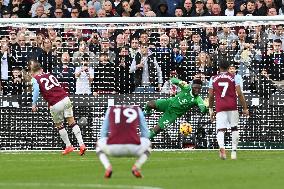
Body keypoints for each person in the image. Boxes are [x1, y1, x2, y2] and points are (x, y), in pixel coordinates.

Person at [30, 61, 87, 155]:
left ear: (32, 72)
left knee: (59, 125)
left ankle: (69, 146)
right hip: (65, 98)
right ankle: (82, 145)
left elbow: (36, 91)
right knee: (72, 122)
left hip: (55, 103)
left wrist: (34, 103)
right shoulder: (49, 74)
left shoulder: (35, 79)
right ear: (41, 69)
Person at [208, 59, 249, 160]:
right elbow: (239, 93)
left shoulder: (213, 78)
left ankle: (222, 148)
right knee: (234, 128)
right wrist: (245, 108)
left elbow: (210, 96)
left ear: (219, 67)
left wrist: (210, 109)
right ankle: (234, 152)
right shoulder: (234, 77)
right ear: (228, 67)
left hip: (220, 107)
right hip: (232, 106)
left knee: (220, 129)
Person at [96, 105, 151, 179]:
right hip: (134, 148)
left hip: (113, 149)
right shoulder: (137, 109)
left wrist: (108, 140)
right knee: (149, 144)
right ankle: (136, 167)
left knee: (98, 144)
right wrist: (139, 140)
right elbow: (145, 133)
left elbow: (103, 132)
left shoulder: (110, 109)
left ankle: (108, 167)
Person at [144, 78, 208, 139]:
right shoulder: (186, 87)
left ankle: (143, 141)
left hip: (173, 114)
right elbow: (172, 80)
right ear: (192, 86)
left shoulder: (198, 99)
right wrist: (179, 82)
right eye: (195, 88)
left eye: (199, 88)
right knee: (150, 104)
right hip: (168, 103)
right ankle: (147, 112)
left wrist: (206, 107)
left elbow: (203, 109)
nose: (197, 90)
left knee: (157, 129)